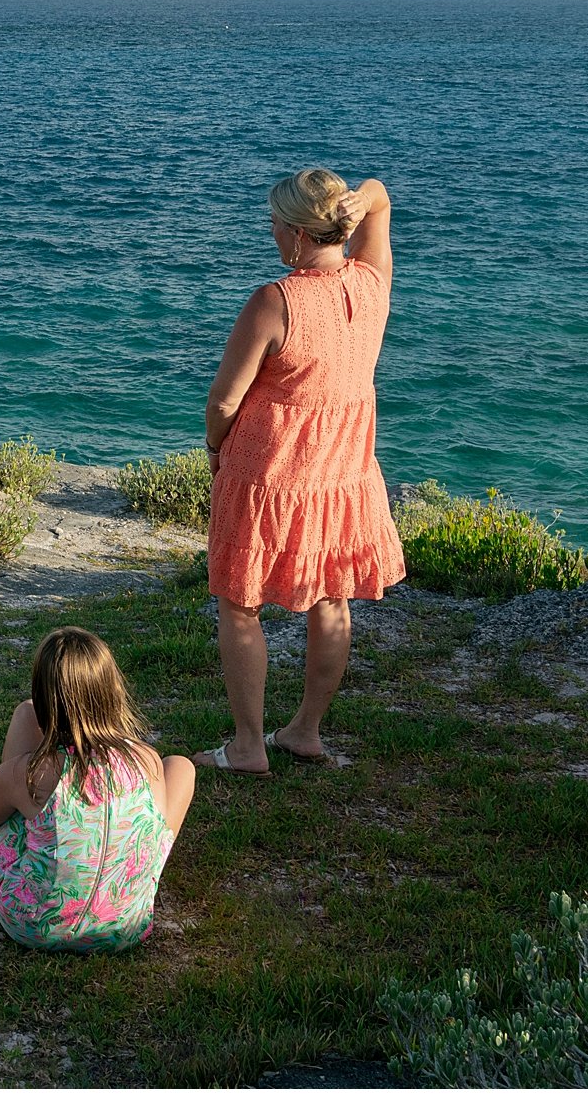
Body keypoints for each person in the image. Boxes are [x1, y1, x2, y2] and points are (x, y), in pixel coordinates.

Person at [194, 170, 404, 776]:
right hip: (343, 471)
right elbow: (381, 198)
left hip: (267, 473)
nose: (270, 229)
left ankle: (248, 745)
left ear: (292, 232)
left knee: (240, 604)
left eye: (274, 221)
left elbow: (224, 402)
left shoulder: (273, 301)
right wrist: (361, 200)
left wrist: (215, 448)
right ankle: (306, 731)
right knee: (332, 598)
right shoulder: (373, 283)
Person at [0, 627, 195, 952]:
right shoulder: (146, 759)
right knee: (181, 767)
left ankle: (31, 837)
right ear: (111, 691)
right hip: (124, 926)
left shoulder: (31, 773)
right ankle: (134, 876)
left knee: (19, 755)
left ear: (44, 696)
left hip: (33, 924)